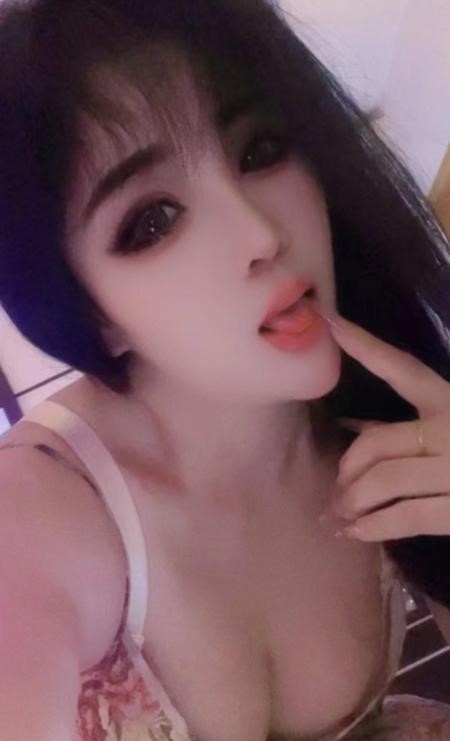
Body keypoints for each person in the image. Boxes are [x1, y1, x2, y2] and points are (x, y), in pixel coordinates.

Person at [0, 0, 450, 739]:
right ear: (90, 311)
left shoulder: (386, 412)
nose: (261, 233)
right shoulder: (39, 514)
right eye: (153, 221)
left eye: (261, 150)